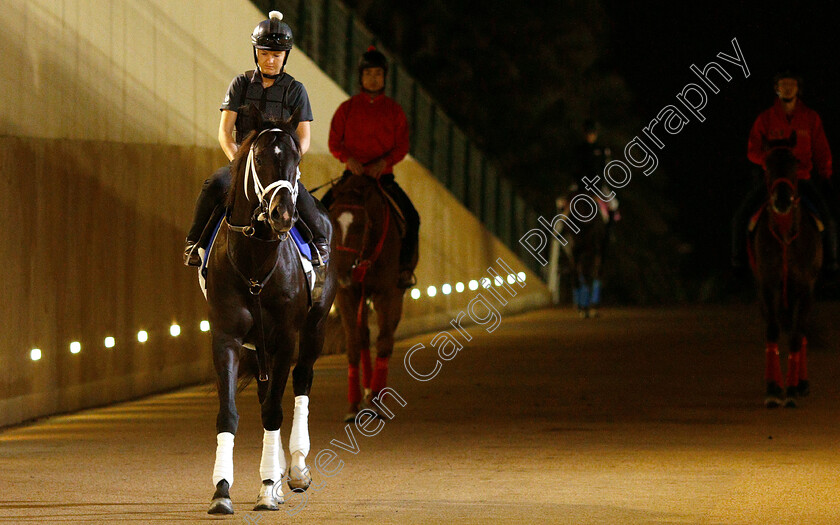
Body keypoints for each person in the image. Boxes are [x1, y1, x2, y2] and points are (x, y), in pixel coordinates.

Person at [183, 11, 330, 289]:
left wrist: (288, 165)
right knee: (213, 185)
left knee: (303, 198)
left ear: (285, 56)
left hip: (279, 167)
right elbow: (225, 132)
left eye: (276, 55)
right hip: (243, 164)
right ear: (256, 53)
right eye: (264, 54)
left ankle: (320, 244)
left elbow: (304, 138)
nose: (270, 60)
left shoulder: (296, 90)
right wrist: (240, 161)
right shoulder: (240, 84)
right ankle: (194, 242)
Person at [325, 46, 419, 289]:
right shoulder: (347, 108)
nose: (373, 78)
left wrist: (384, 163)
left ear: (384, 77)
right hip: (352, 176)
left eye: (378, 74)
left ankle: (404, 269)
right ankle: (319, 266)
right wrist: (348, 159)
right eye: (369, 74)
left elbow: (402, 146)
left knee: (412, 217)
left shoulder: (395, 111)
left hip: (382, 179)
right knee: (320, 212)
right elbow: (334, 142)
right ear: (361, 77)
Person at [732, 70, 836, 273]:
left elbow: (822, 149)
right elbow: (752, 150)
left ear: (798, 88)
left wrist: (826, 176)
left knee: (828, 220)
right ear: (777, 89)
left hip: (801, 180)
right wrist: (772, 162)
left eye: (792, 84)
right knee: (740, 218)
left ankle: (832, 264)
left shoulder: (811, 118)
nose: (787, 87)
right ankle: (739, 264)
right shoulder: (765, 118)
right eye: (783, 84)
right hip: (773, 181)